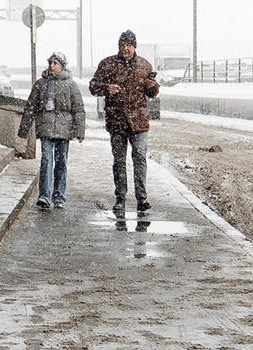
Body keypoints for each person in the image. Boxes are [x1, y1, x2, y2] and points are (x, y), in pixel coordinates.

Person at [88, 29, 160, 226]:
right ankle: (120, 198)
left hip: (139, 121)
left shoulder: (145, 65)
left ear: (134, 47)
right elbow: (93, 86)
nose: (125, 49)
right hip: (117, 120)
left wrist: (152, 85)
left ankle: (142, 199)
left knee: (140, 158)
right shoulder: (107, 64)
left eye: (128, 45)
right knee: (119, 161)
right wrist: (106, 88)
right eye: (122, 45)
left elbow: (153, 94)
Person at [15, 50, 84, 210]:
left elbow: (78, 108)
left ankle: (59, 196)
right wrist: (23, 131)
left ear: (62, 66)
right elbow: (30, 107)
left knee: (61, 163)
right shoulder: (41, 84)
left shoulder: (71, 85)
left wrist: (79, 130)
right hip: (46, 128)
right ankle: (44, 196)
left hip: (64, 130)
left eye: (55, 63)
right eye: (50, 63)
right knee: (46, 160)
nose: (52, 66)